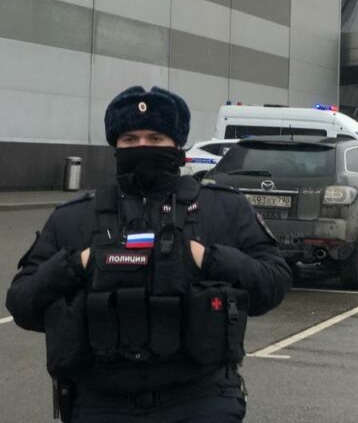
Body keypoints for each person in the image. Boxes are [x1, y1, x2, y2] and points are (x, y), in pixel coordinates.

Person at [6, 86, 292, 422]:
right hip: (100, 403)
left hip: (199, 399)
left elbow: (274, 283)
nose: (143, 146)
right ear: (116, 146)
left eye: (156, 138)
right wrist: (76, 264)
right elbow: (22, 303)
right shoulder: (74, 217)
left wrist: (208, 259)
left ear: (177, 145)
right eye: (130, 139)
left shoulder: (223, 208)